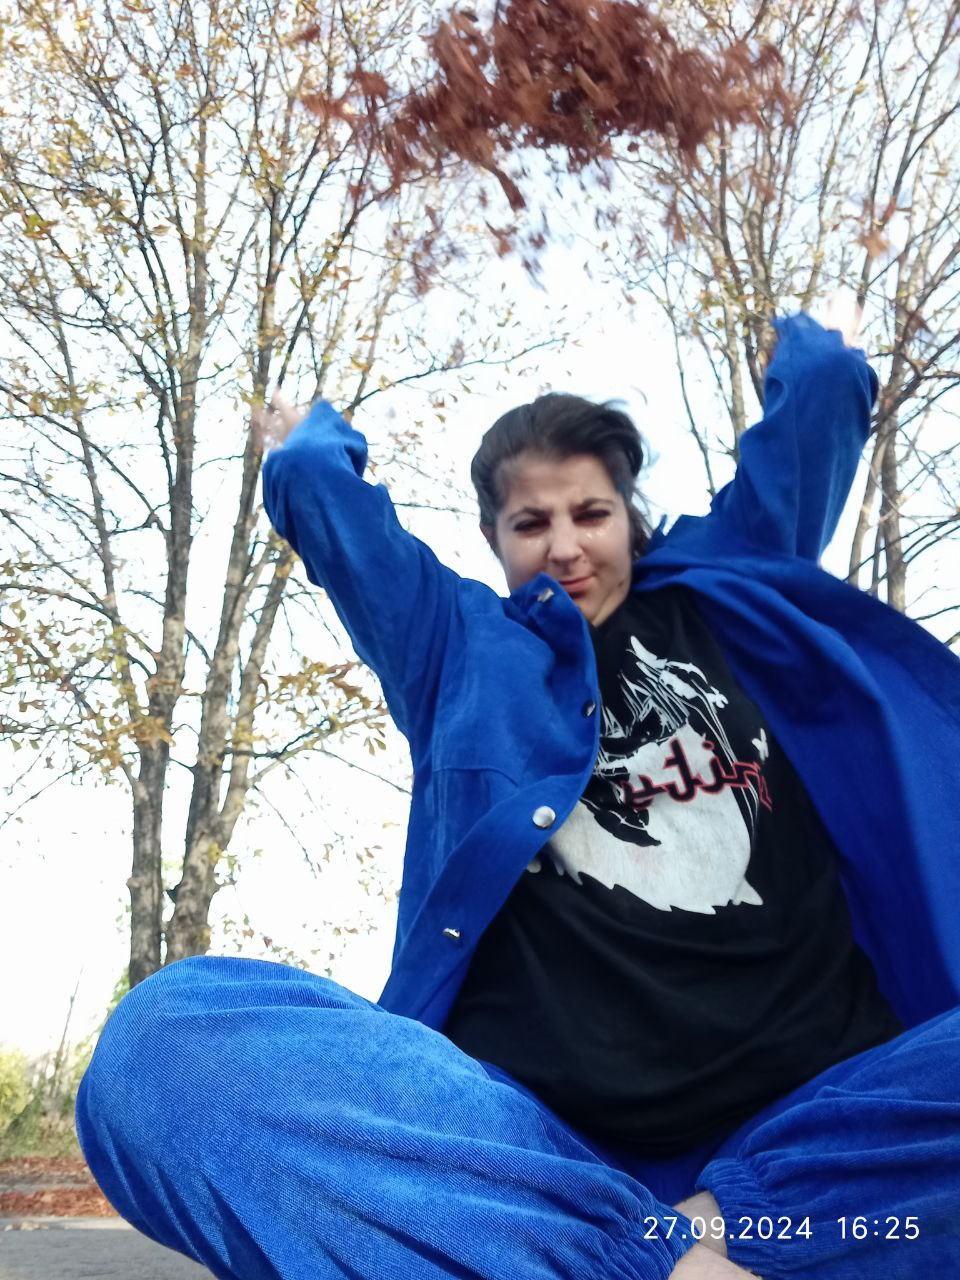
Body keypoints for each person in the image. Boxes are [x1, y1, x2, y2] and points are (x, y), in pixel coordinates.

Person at [76, 303, 960, 1280]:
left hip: (824, 1147)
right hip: (544, 1161)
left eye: (592, 514)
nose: (566, 546)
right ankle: (652, 1255)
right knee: (161, 1048)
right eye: (531, 523)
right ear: (494, 536)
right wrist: (306, 453)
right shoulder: (459, 649)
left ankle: (689, 1241)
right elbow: (341, 524)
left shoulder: (730, 585)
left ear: (630, 515)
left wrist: (798, 343)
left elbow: (823, 406)